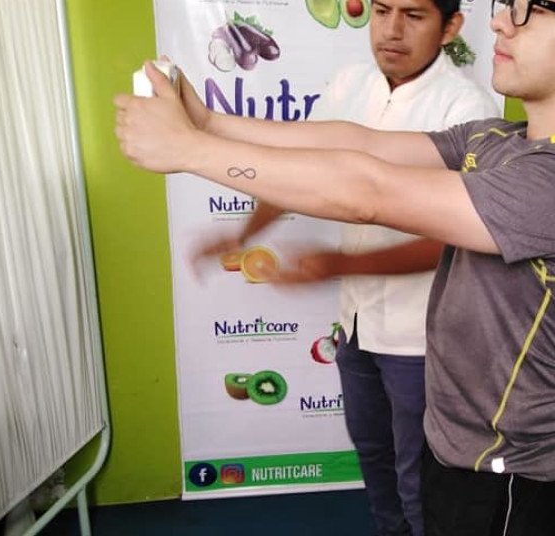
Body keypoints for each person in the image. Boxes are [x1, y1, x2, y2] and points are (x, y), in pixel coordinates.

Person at [115, 0, 555, 533]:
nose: (502, 21)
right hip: (457, 450)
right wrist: (207, 122)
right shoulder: (501, 140)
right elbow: (357, 144)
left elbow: (368, 192)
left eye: (533, 9)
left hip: (511, 482)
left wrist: (188, 151)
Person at [192, 1, 499, 534]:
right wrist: (243, 234)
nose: (392, 30)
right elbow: (299, 172)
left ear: (450, 26)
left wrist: (342, 262)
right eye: (381, 10)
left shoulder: (468, 109)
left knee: (419, 479)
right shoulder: (349, 84)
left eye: (414, 15)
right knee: (374, 457)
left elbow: (454, 239)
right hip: (356, 324)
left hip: (421, 337)